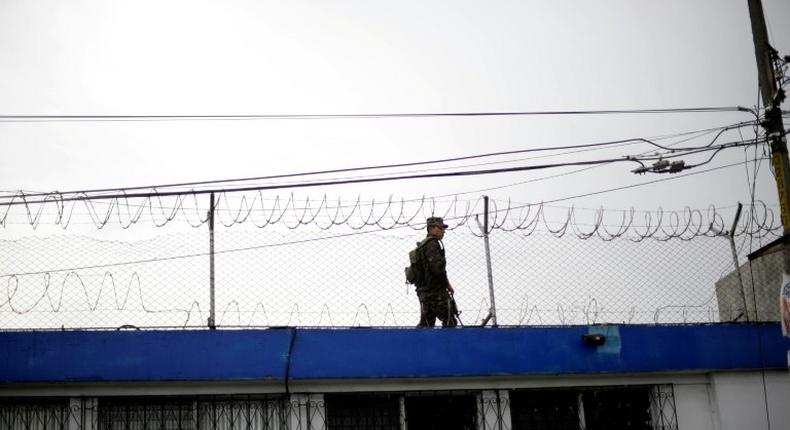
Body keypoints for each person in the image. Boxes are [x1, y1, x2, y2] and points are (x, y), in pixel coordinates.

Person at [416, 217, 457, 327]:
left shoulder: (423, 244)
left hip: (424, 290)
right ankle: (448, 344)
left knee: (426, 323)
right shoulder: (432, 244)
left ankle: (418, 343)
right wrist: (446, 284)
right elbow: (437, 268)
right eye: (440, 228)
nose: (443, 231)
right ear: (430, 228)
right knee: (449, 321)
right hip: (435, 291)